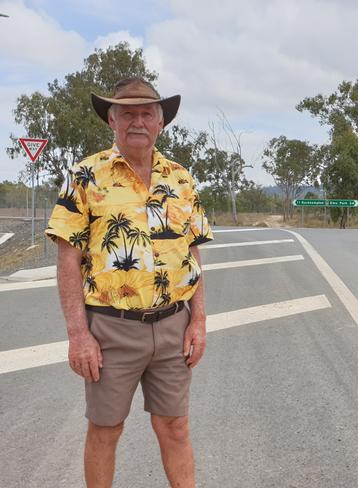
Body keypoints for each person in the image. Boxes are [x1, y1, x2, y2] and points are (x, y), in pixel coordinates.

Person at [45, 77, 213, 488]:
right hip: (110, 330)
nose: (138, 121)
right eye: (128, 113)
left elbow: (192, 252)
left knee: (174, 427)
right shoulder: (86, 175)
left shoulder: (181, 178)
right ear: (112, 121)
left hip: (174, 325)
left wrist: (199, 321)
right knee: (106, 430)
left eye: (147, 113)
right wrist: (78, 335)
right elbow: (68, 258)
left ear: (160, 122)